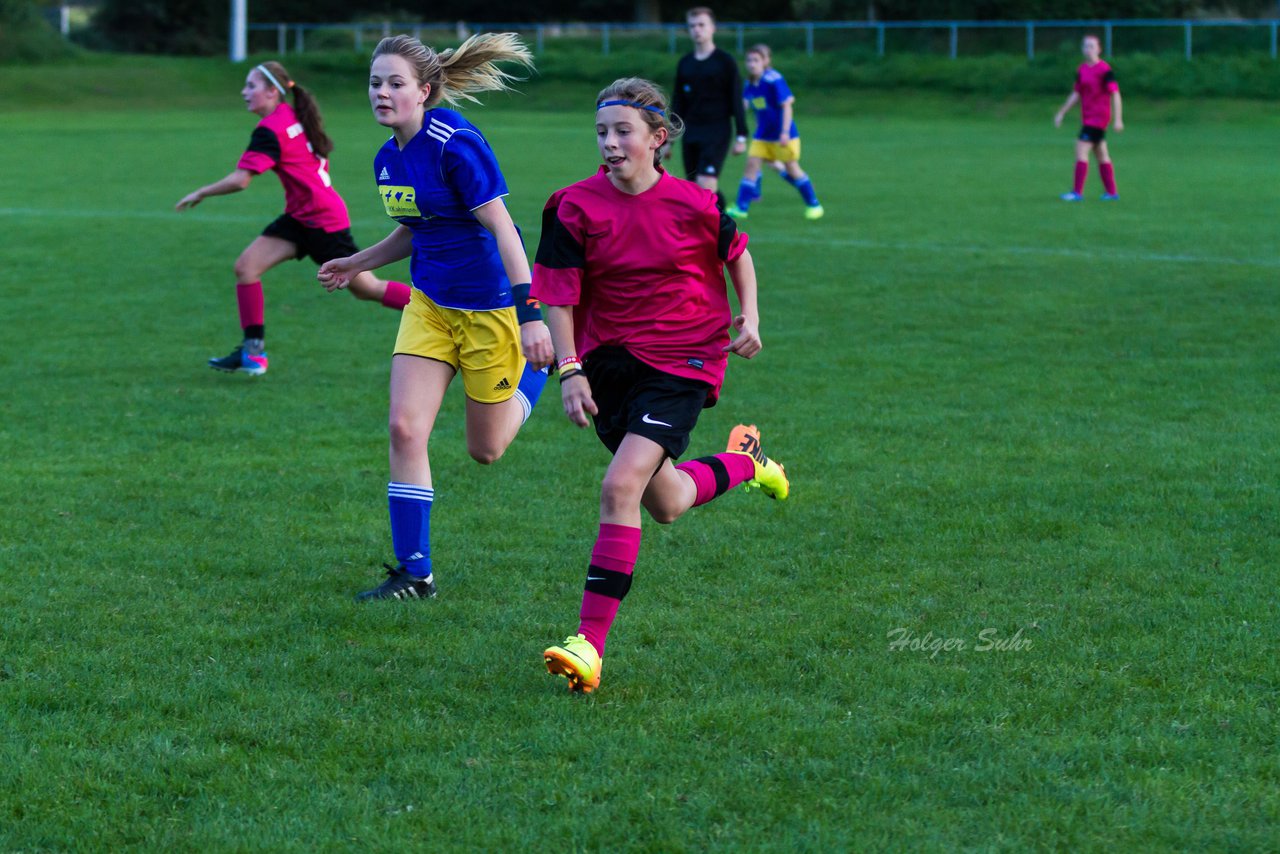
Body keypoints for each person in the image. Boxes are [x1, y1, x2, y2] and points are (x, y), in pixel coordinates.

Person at [532, 78, 790, 694]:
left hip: (684, 358)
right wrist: (569, 370)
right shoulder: (571, 205)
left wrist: (748, 315)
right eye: (602, 132)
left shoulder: (695, 204)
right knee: (665, 501)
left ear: (658, 138)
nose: (611, 143)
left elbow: (738, 253)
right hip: (609, 365)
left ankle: (588, 645)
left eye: (624, 131)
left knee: (620, 485)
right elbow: (559, 297)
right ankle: (745, 464)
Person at [316, 34, 554, 601]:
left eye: (395, 83)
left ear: (424, 91)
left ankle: (539, 369)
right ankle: (415, 573)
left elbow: (503, 229)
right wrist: (358, 262)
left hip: (490, 310)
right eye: (375, 82)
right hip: (429, 305)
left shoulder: (456, 144)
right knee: (404, 428)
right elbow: (416, 227)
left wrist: (532, 317)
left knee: (485, 449)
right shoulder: (387, 158)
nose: (382, 92)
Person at [176, 61, 411, 376]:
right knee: (246, 267)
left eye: (251, 86)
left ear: (273, 91)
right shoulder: (292, 115)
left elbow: (240, 180)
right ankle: (253, 354)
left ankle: (443, 309)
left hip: (323, 221)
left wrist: (202, 192)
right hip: (302, 216)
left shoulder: (270, 129)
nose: (245, 92)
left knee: (367, 288)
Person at [726, 43, 824, 221]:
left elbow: (786, 105)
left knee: (792, 168)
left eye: (756, 60)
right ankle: (741, 208)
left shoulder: (774, 79)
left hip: (783, 136)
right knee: (751, 166)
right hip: (762, 136)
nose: (751, 63)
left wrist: (785, 132)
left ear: (765, 62)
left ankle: (814, 204)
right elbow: (745, 106)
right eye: (749, 60)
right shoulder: (749, 83)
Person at [670, 6, 749, 209]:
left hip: (717, 130)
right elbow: (679, 102)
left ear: (713, 28)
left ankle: (719, 232)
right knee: (695, 189)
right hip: (691, 131)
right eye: (692, 26)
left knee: (705, 184)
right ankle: (723, 219)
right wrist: (668, 138)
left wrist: (741, 135)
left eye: (702, 25)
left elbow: (736, 99)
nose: (697, 29)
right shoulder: (685, 63)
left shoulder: (725, 62)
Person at [1054, 34, 1124, 202]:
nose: (1088, 49)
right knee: (1101, 154)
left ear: (1099, 49)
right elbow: (1076, 93)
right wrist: (1062, 112)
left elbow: (1115, 94)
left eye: (1092, 46)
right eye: (1085, 46)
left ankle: (1077, 193)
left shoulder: (1105, 70)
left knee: (1081, 150)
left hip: (1098, 118)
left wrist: (1118, 119)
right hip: (1088, 118)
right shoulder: (1082, 69)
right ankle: (1112, 193)